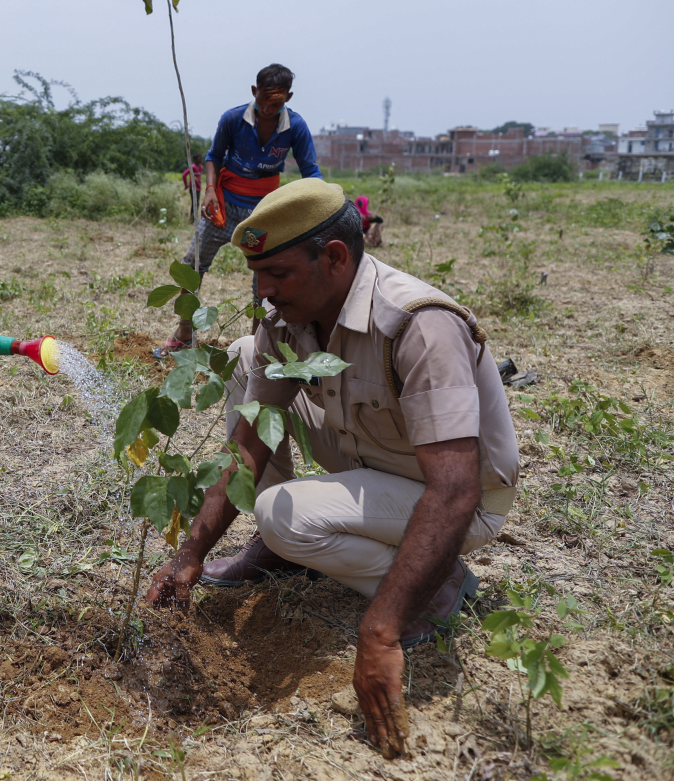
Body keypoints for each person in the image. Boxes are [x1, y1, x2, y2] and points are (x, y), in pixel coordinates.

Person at [145, 179, 519, 755]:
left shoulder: (417, 324)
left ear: (337, 258)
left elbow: (455, 488)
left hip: (455, 498)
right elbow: (248, 446)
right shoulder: (286, 322)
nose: (264, 292)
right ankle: (282, 550)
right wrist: (189, 553)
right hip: (369, 460)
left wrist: (381, 630)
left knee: (283, 513)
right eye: (257, 275)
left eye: (279, 275)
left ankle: (435, 584)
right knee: (248, 362)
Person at [155, 64, 323, 357]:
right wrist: (209, 190)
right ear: (254, 92)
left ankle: (258, 345)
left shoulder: (295, 126)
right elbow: (214, 157)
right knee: (192, 265)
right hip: (222, 208)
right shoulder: (233, 119)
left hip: (262, 214)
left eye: (278, 103)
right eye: (264, 101)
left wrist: (322, 203)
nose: (269, 109)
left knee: (266, 279)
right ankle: (183, 332)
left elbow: (310, 171)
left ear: (289, 97)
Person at [181, 152, 205, 223]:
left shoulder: (201, 168)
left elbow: (199, 177)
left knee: (197, 203)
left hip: (198, 188)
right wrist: (186, 184)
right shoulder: (192, 167)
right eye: (199, 158)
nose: (201, 160)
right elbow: (184, 175)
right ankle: (192, 219)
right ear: (195, 159)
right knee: (195, 203)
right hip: (193, 188)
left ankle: (193, 218)